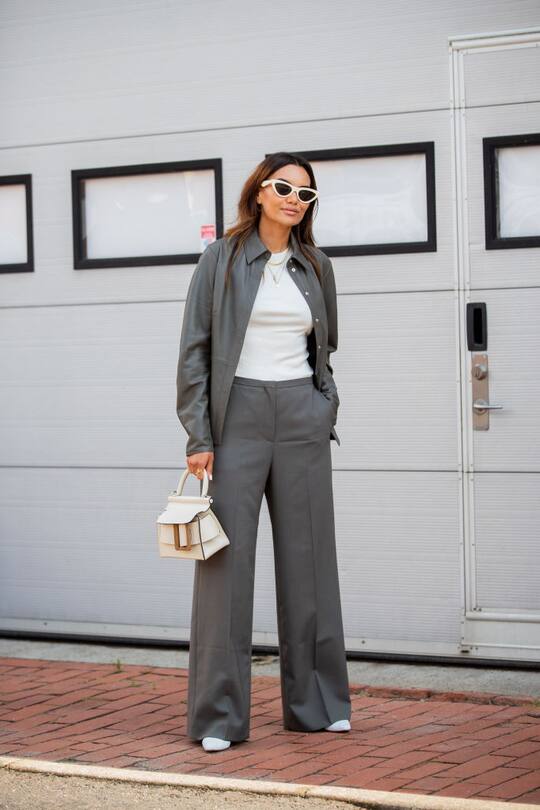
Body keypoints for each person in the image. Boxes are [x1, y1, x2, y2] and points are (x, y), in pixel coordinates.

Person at [176, 151, 351, 752]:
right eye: (283, 187)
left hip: (301, 415)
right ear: (258, 191)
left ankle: (319, 705)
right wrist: (199, 437)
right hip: (238, 419)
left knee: (310, 564)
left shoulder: (316, 265)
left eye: (306, 193)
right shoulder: (219, 260)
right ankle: (219, 718)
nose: (293, 199)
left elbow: (326, 346)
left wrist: (323, 404)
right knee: (226, 569)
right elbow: (194, 353)